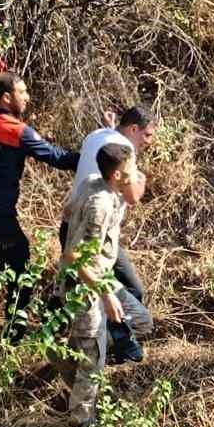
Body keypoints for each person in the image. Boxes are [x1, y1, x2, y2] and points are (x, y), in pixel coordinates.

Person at [0, 71, 79, 338]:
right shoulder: (17, 132)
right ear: (6, 97)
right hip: (0, 215)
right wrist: (93, 158)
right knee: (20, 270)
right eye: (22, 93)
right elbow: (57, 157)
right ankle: (14, 334)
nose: (27, 97)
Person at [61, 141, 154, 427]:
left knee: (139, 319)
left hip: (99, 279)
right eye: (131, 167)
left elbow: (67, 212)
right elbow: (73, 255)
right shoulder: (100, 203)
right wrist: (105, 293)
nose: (136, 170)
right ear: (116, 175)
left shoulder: (93, 183)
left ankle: (65, 358)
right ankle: (81, 426)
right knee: (93, 363)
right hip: (85, 288)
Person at [63, 104, 157, 302]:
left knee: (71, 291)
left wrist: (110, 127)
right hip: (95, 234)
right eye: (147, 135)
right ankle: (118, 331)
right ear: (133, 129)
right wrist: (141, 179)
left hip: (69, 226)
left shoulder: (95, 135)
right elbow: (132, 197)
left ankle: (50, 328)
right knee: (133, 291)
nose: (149, 141)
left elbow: (108, 147)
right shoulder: (126, 151)